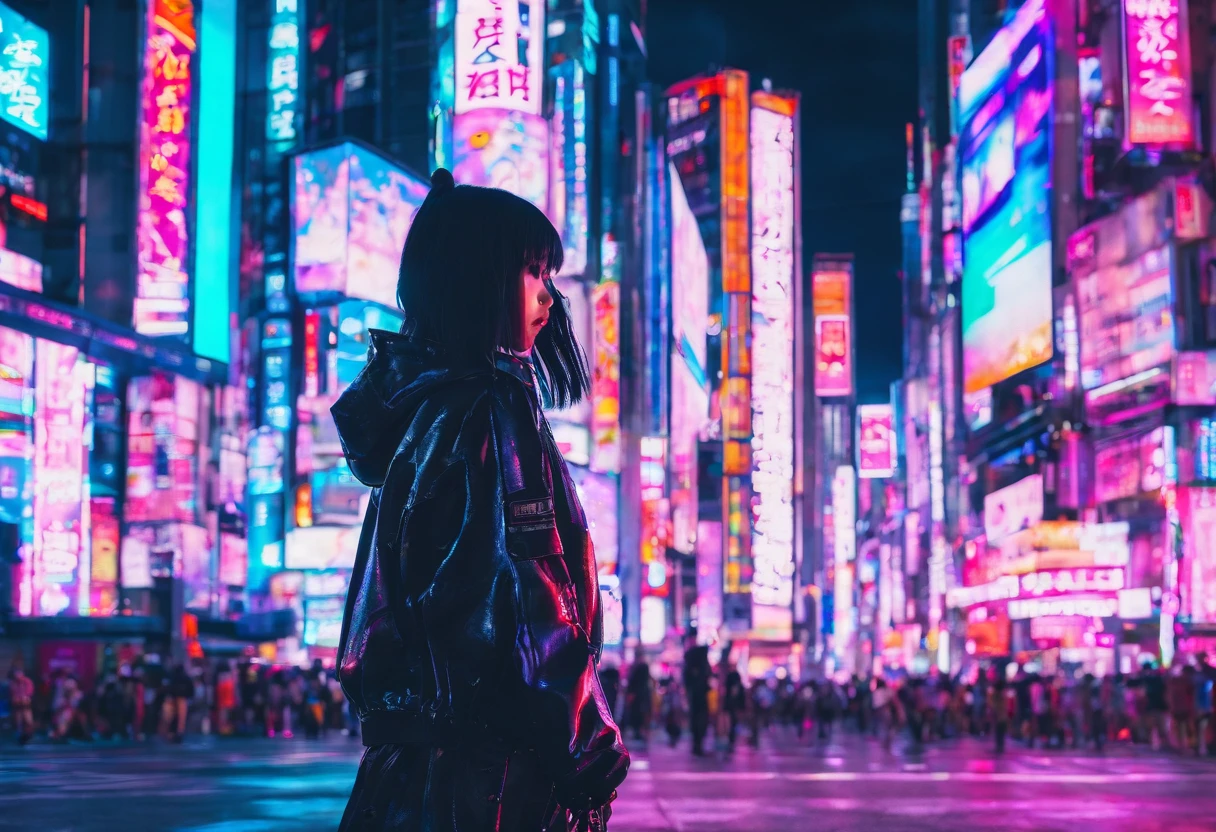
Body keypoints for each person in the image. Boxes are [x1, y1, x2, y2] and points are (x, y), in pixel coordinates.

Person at [333, 170, 627, 831]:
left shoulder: (424, 413)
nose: (549, 296)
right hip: (489, 784)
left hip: (411, 778)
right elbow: (525, 603)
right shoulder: (491, 411)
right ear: (479, 281)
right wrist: (587, 747)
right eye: (533, 272)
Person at [682, 629, 712, 756]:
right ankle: (698, 744)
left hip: (696, 693)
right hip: (699, 693)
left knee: (697, 719)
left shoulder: (692, 655)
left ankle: (697, 744)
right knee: (699, 718)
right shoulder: (698, 655)